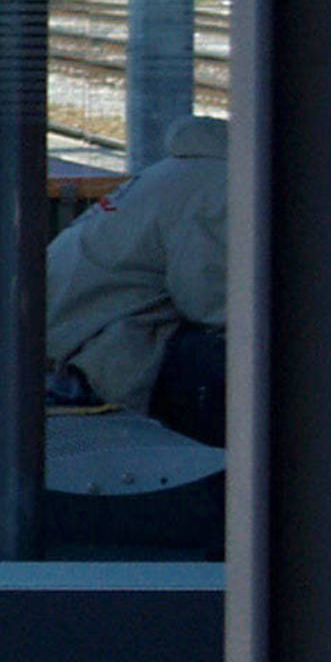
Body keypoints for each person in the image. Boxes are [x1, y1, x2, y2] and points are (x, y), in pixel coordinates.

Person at [45, 113, 229, 448]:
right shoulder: (220, 186)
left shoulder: (177, 172)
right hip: (101, 353)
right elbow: (209, 303)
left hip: (64, 339)